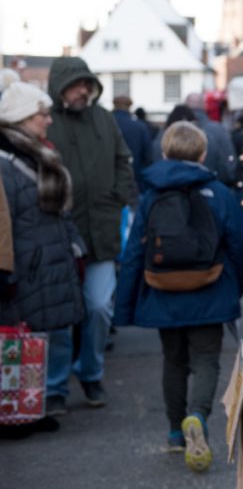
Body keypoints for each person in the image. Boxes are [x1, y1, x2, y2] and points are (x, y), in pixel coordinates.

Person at [115, 122, 243, 470]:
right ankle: (198, 415)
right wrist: (234, 286)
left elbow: (133, 252)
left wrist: (125, 306)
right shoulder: (219, 192)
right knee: (206, 359)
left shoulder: (151, 194)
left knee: (173, 360)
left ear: (164, 153)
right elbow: (242, 244)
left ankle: (176, 433)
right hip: (210, 287)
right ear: (203, 154)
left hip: (162, 290)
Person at [46, 57, 137, 408]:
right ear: (59, 87)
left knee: (99, 307)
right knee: (60, 316)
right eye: (75, 84)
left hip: (101, 231)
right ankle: (56, 386)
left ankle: (91, 374)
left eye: (87, 83)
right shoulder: (47, 120)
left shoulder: (104, 118)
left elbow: (122, 160)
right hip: (59, 234)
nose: (83, 89)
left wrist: (119, 198)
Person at [0, 82, 85, 419]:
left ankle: (52, 396)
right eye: (42, 114)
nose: (48, 121)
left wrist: (77, 247)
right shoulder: (6, 162)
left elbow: (62, 212)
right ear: (22, 118)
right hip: (27, 263)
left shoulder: (43, 153)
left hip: (56, 257)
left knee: (58, 331)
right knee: (26, 336)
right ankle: (29, 405)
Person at [185, 92, 237, 187]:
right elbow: (230, 161)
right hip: (215, 188)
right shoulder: (218, 129)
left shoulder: (176, 130)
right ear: (204, 106)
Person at [112, 95, 152, 190]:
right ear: (129, 106)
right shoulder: (140, 127)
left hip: (109, 180)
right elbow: (148, 156)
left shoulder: (105, 124)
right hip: (135, 179)